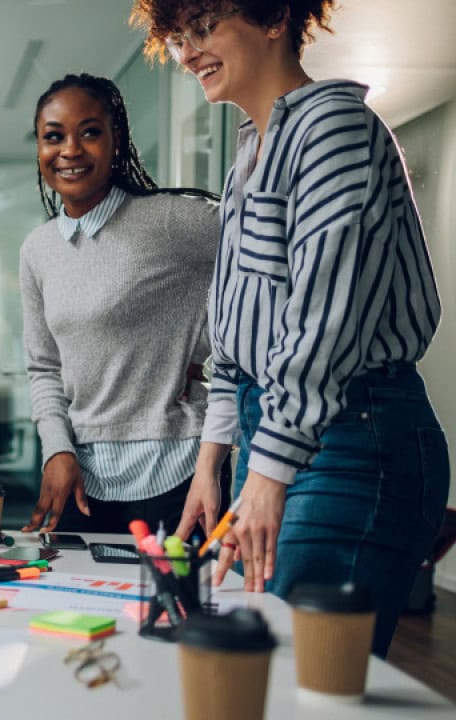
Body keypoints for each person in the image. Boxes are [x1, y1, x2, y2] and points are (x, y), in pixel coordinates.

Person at [132, 0, 448, 657]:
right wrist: (211, 464)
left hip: (354, 441)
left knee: (301, 677)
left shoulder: (334, 127)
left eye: (204, 27)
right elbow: (235, 328)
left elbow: (324, 325)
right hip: (280, 429)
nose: (188, 53)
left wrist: (268, 473)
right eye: (180, 36)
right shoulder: (251, 149)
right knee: (269, 666)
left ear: (274, 16)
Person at [19, 73, 223, 536]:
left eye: (89, 132)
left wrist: (211, 346)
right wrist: (56, 449)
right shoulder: (37, 249)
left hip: (178, 468)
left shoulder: (169, 220)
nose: (70, 150)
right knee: (73, 606)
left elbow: (271, 251)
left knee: (181, 608)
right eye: (54, 136)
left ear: (117, 142)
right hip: (81, 479)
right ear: (40, 148)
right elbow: (43, 367)